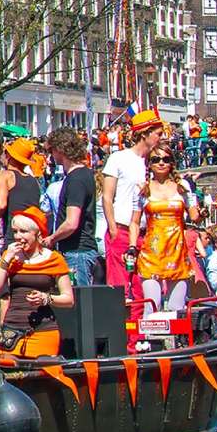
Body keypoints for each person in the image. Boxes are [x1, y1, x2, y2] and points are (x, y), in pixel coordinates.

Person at [0, 208, 75, 358]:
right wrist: (5, 261)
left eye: (23, 231)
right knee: (9, 372)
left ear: (37, 233)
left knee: (41, 375)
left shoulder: (54, 259)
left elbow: (69, 299)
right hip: (12, 330)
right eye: (15, 231)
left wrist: (46, 298)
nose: (18, 236)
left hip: (43, 330)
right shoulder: (10, 258)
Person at [129, 148, 199, 316]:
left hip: (177, 252)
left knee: (177, 309)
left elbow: (194, 217)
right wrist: (132, 246)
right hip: (152, 252)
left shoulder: (182, 186)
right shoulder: (142, 188)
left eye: (166, 159)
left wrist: (196, 202)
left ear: (172, 163)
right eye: (155, 160)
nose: (161, 163)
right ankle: (150, 342)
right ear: (149, 164)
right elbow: (135, 222)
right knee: (151, 307)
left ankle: (177, 343)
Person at [101, 110, 166, 290]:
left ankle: (142, 318)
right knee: (120, 285)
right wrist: (113, 228)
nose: (161, 138)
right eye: (158, 134)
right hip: (122, 228)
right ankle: (120, 319)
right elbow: (107, 196)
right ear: (144, 133)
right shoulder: (119, 158)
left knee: (144, 287)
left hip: (149, 232)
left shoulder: (158, 162)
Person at [42, 128, 99, 285]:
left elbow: (71, 222)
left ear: (60, 149)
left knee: (79, 303)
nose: (51, 155)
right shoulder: (85, 174)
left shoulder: (76, 179)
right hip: (79, 250)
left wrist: (52, 239)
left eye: (52, 150)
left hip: (77, 251)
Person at [0, 137, 42, 256]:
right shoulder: (34, 182)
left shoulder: (4, 176)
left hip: (14, 237)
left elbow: (1, 205)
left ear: (8, 155)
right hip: (33, 239)